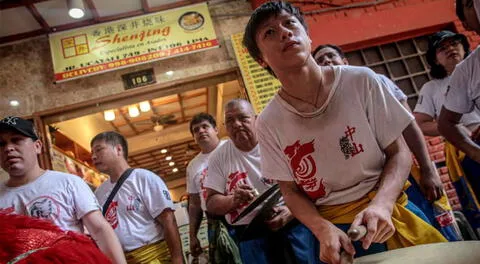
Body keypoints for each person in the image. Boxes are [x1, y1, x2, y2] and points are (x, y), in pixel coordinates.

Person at [243, 2, 447, 264]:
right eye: (269, 33)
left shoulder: (361, 80)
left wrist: (382, 204)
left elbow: (398, 152)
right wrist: (320, 227)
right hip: (339, 234)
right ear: (261, 60)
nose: (284, 33)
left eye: (290, 23)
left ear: (308, 36)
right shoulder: (269, 122)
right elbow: (290, 191)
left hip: (392, 210)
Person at [313, 44, 460, 241]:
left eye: (331, 56)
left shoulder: (372, 81)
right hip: (368, 188)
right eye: (320, 61)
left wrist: (427, 169)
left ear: (345, 62)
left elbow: (409, 125)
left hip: (402, 173)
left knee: (426, 226)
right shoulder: (322, 106)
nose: (327, 62)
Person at [0, 116, 126, 264]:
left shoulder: (68, 183)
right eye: (1, 144)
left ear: (37, 146)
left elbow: (99, 230)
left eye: (16, 140)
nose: (8, 148)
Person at [204, 99, 317, 264]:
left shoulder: (278, 141)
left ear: (256, 119)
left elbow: (312, 182)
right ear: (225, 127)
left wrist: (292, 211)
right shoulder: (218, 157)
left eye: (243, 118)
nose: (237, 124)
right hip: (251, 236)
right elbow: (211, 203)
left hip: (294, 224)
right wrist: (233, 200)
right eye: (230, 120)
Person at [91, 131, 183, 264]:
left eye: (99, 150)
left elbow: (169, 221)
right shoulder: (99, 193)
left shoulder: (144, 178)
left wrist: (177, 259)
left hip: (154, 257)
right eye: (92, 152)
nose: (93, 156)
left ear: (118, 149)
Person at [438, 0, 480, 236]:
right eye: (468, 4)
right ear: (465, 23)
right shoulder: (467, 71)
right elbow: (445, 123)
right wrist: (474, 151)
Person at [186, 113, 240, 264]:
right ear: (194, 137)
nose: (201, 131)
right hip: (215, 222)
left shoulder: (232, 146)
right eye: (196, 130)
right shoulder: (193, 166)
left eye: (205, 126)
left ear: (216, 129)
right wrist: (192, 235)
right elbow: (195, 204)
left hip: (241, 212)